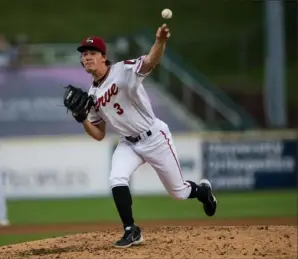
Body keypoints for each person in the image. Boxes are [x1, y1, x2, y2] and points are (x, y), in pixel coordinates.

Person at [73, 24, 217, 248]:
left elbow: (150, 61)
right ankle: (132, 230)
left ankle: (203, 191)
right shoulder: (91, 96)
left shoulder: (124, 69)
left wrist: (160, 41)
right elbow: (99, 134)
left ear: (104, 57)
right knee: (116, 178)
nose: (87, 57)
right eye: (84, 54)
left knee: (179, 192)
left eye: (92, 53)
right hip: (127, 143)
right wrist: (81, 118)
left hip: (154, 137)